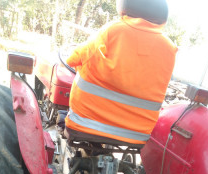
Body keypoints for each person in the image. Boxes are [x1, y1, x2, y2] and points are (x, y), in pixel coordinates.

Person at [65, 0, 177, 147]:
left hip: (85, 124)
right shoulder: (169, 48)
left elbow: (72, 59)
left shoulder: (113, 31)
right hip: (137, 134)